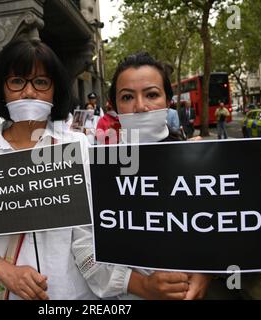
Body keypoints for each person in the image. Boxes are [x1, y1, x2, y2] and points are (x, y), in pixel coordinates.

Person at [0, 38, 97, 300]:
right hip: (6, 292)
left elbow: (96, 225)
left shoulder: (79, 146)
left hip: (73, 292)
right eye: (17, 82)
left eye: (41, 82)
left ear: (55, 89)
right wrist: (6, 271)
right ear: (1, 89)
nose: (29, 92)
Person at [78, 52, 211, 300]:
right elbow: (83, 248)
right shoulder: (97, 169)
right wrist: (140, 285)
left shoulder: (204, 161)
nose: (140, 107)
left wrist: (208, 272)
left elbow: (235, 230)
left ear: (168, 101)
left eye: (151, 94)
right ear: (114, 107)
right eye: (127, 97)